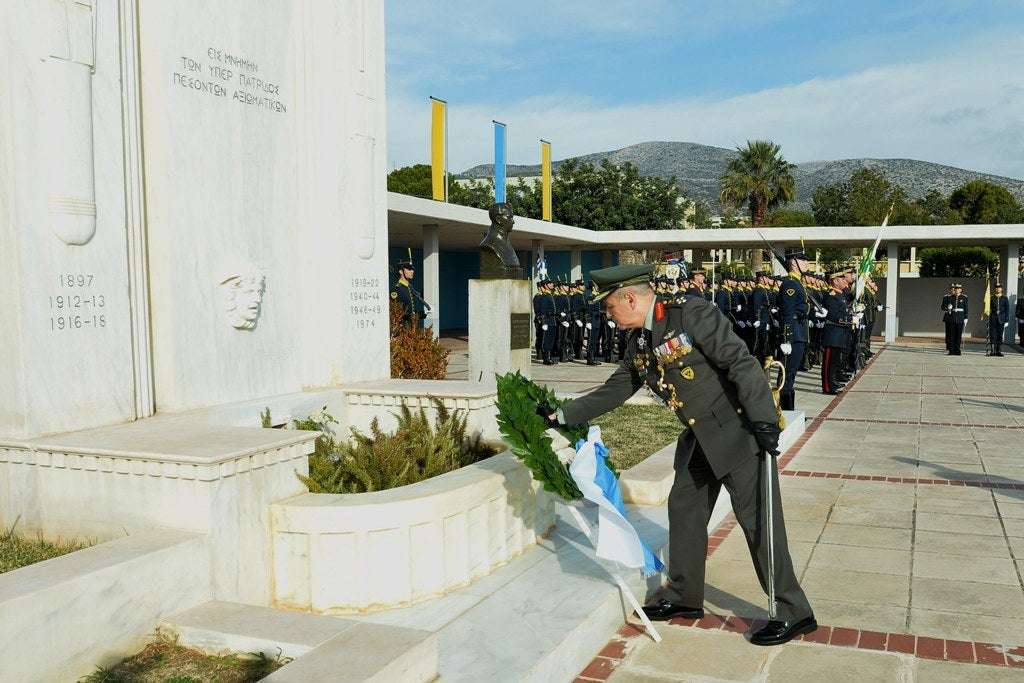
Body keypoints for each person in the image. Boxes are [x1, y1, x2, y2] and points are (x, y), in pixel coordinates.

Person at [542, 263, 815, 646]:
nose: (607, 316)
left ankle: (792, 611)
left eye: (608, 308)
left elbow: (740, 362)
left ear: (630, 298)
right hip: (699, 438)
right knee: (684, 509)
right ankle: (684, 596)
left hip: (737, 434)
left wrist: (766, 420)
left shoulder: (690, 312)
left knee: (760, 524)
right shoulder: (639, 341)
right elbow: (617, 389)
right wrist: (561, 415)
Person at [777, 250, 810, 411]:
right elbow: (788, 314)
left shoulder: (798, 283)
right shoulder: (790, 284)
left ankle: (789, 411)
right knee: (786, 375)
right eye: (803, 261)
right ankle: (782, 412)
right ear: (794, 263)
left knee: (791, 375)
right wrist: (786, 339)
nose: (807, 264)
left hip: (799, 333)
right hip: (793, 335)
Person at [821, 270, 853, 395]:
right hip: (832, 334)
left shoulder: (839, 295)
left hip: (839, 334)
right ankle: (827, 387)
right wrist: (849, 320)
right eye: (841, 279)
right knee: (829, 363)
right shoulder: (831, 295)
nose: (844, 281)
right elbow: (834, 316)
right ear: (835, 281)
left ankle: (832, 383)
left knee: (834, 362)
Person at [390, 258, 426, 327]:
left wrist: (420, 314)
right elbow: (395, 312)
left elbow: (411, 308)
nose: (412, 271)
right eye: (409, 269)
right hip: (402, 328)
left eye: (412, 270)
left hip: (412, 326)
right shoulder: (396, 289)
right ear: (401, 271)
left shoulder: (410, 287)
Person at [945, 283, 969, 356]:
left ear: (961, 290)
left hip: (960, 317)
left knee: (958, 335)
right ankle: (951, 350)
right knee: (952, 335)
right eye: (955, 289)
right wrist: (948, 307)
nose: (957, 290)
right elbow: (946, 306)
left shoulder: (964, 297)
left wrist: (966, 317)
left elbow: (966, 308)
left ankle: (957, 350)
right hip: (952, 317)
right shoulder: (950, 297)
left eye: (958, 289)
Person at [987, 283, 1010, 357]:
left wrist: (1006, 320)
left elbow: (1007, 310)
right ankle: (992, 351)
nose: (998, 289)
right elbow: (988, 308)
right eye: (996, 288)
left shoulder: (1005, 298)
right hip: (993, 318)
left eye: (999, 288)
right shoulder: (991, 298)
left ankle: (999, 351)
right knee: (992, 334)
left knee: (1000, 335)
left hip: (1002, 318)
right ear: (995, 289)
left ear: (1001, 289)